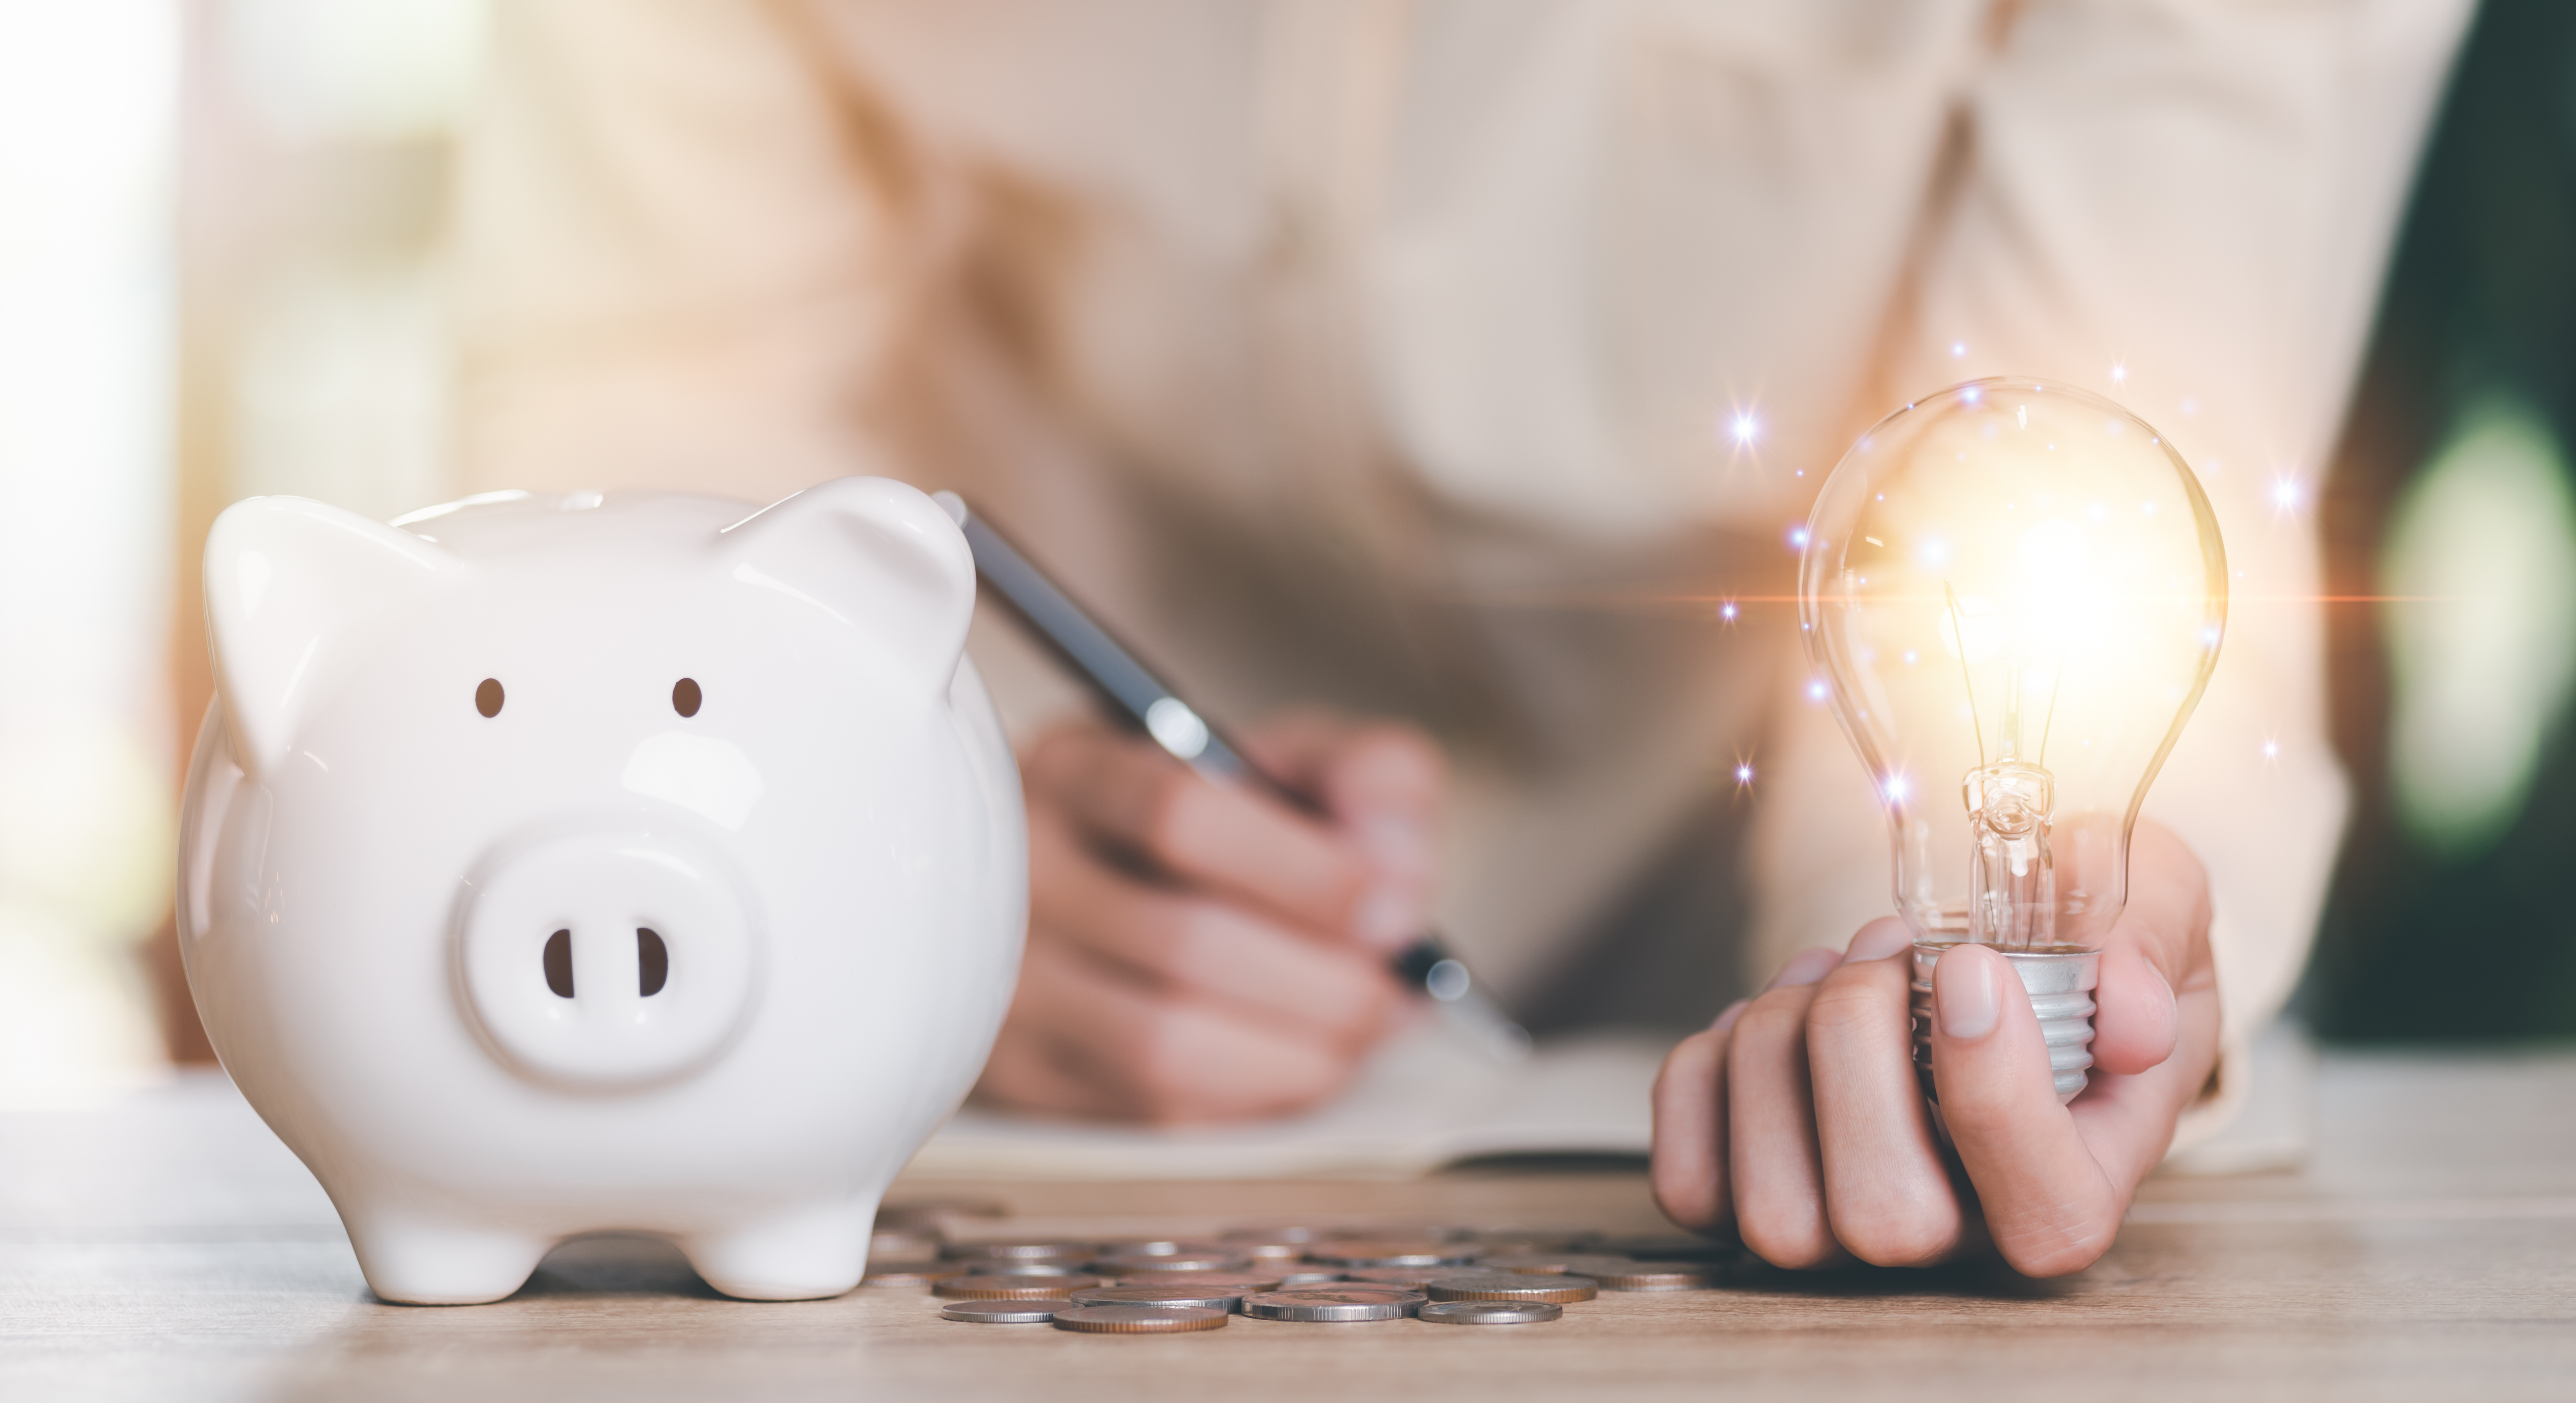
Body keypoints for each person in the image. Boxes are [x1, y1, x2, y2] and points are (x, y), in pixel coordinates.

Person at [452, 0, 2472, 1273]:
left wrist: (1926, 1004)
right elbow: (654, 430)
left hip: (1741, 1011)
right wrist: (893, 844)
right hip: (1026, 1079)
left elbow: (2103, 436)